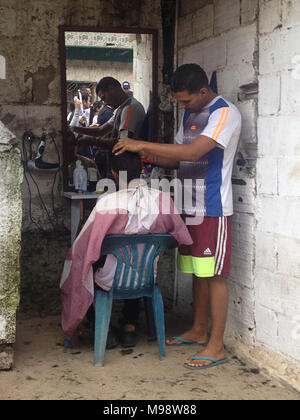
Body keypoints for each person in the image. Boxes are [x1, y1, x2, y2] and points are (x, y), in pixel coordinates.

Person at [112, 64, 242, 369]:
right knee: (198, 271)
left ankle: (216, 345)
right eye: (179, 102)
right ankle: (198, 331)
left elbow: (195, 152)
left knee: (214, 275)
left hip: (212, 208)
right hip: (188, 204)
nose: (181, 107)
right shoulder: (189, 113)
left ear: (203, 91)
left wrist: (141, 143)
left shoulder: (224, 113)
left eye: (186, 101)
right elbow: (179, 156)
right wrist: (150, 157)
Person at [60, 151, 193, 347]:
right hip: (147, 276)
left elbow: (87, 246)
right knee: (134, 261)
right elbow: (181, 237)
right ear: (141, 170)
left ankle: (99, 327)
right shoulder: (163, 200)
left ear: (114, 174)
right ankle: (130, 325)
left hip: (111, 278)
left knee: (82, 267)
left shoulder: (107, 203)